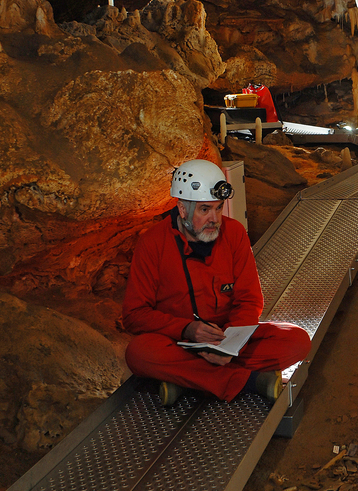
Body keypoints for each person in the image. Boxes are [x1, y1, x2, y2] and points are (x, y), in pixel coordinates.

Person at [122, 159, 311, 406]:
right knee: (139, 353)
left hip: (228, 338)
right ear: (182, 210)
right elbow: (134, 315)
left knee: (296, 340)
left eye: (218, 208)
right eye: (204, 210)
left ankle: (186, 380)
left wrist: (231, 341)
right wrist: (187, 329)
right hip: (180, 342)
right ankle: (251, 381)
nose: (215, 219)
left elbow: (250, 299)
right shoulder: (152, 243)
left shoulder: (234, 234)